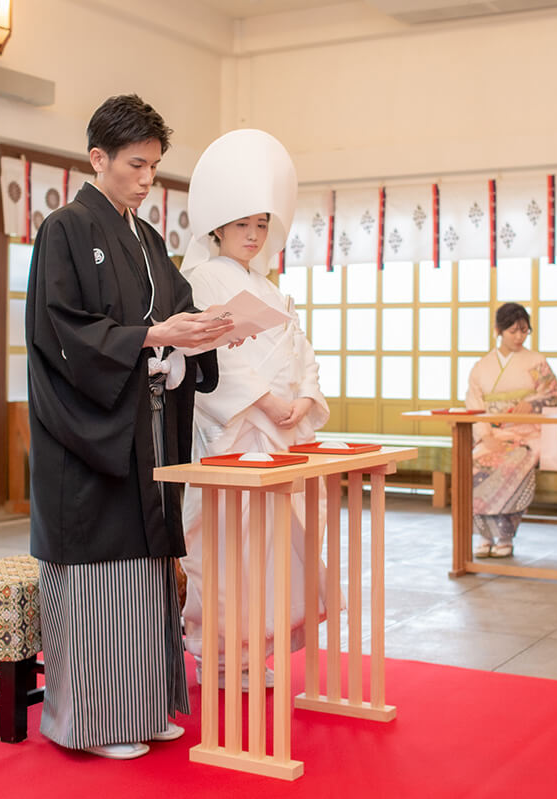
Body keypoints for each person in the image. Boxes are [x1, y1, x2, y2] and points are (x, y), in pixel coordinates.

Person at [25, 94, 234, 760]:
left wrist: (195, 338)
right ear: (98, 158)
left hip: (142, 429)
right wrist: (150, 337)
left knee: (147, 573)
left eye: (154, 167)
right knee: (98, 578)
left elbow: (175, 313)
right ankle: (90, 721)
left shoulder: (145, 239)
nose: (147, 181)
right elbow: (62, 332)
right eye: (136, 165)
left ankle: (143, 708)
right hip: (88, 438)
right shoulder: (63, 229)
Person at [179, 129, 329, 687]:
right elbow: (214, 360)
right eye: (243, 224)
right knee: (223, 544)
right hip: (233, 433)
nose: (253, 234)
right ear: (217, 226)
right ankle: (214, 653)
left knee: (265, 549)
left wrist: (305, 398)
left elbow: (300, 349)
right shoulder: (198, 278)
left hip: (274, 430)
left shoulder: (268, 287)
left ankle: (252, 648)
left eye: (262, 224)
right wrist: (269, 401)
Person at [465, 302, 557, 558]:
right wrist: (485, 435)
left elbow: (553, 397)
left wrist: (531, 404)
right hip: (493, 434)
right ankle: (484, 536)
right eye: (513, 331)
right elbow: (474, 405)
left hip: (526, 433)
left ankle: (505, 537)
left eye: (524, 331)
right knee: (475, 464)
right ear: (498, 330)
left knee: (512, 464)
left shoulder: (536, 361)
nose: (519, 337)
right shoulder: (481, 367)